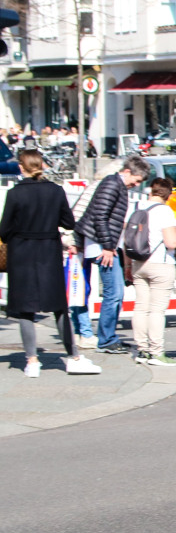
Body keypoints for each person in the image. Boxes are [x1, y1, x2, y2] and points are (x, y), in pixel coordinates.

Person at [0, 149, 101, 377]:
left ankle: (32, 360)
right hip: (48, 252)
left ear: (21, 167)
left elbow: (4, 230)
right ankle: (73, 356)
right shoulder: (56, 191)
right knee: (59, 307)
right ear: (42, 166)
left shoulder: (15, 194)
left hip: (22, 254)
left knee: (25, 310)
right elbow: (68, 221)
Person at [75, 155, 148, 353]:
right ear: (127, 172)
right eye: (137, 179)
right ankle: (107, 339)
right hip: (101, 246)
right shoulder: (112, 185)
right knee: (114, 293)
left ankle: (107, 337)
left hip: (101, 244)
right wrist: (108, 246)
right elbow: (101, 217)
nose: (136, 184)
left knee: (113, 293)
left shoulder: (114, 184)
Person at [128, 177, 176, 365]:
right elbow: (171, 242)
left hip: (138, 262)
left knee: (141, 308)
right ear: (168, 195)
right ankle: (157, 352)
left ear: (151, 191)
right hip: (160, 263)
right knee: (157, 311)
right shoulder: (165, 211)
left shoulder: (138, 208)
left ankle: (142, 350)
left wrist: (128, 266)